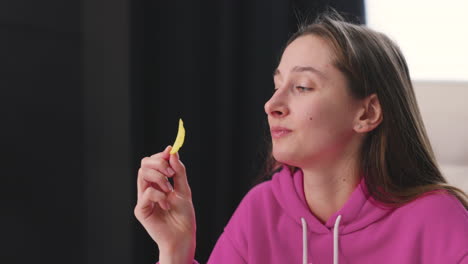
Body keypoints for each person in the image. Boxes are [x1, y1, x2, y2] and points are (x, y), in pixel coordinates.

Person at [134, 11, 468, 264]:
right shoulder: (261, 211)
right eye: (277, 85)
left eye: (303, 87)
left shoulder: (439, 219)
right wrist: (174, 250)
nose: (271, 105)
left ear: (366, 114)